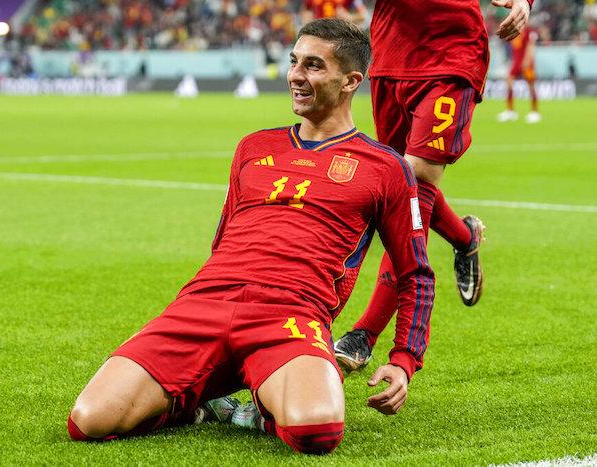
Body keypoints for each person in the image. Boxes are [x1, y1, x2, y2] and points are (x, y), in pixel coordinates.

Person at [68, 18, 434, 455]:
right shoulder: (253, 147)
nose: (296, 75)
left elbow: (415, 273)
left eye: (314, 66)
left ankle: (265, 399)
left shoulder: (385, 167)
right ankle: (199, 405)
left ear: (351, 80)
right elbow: (222, 240)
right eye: (294, 62)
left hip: (290, 315)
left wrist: (404, 361)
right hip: (204, 304)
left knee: (317, 432)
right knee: (89, 421)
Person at [333, 0, 534, 374]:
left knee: (414, 190)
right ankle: (464, 236)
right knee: (397, 182)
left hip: (451, 57)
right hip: (390, 57)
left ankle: (365, 334)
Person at [497, 25, 540, 123]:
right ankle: (510, 111)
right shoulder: (514, 30)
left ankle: (534, 112)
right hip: (516, 61)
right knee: (508, 81)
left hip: (526, 62)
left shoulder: (528, 30)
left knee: (531, 85)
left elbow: (531, 46)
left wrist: (527, 60)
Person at [301, 0, 367, 26]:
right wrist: (308, 24)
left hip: (340, 34)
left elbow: (363, 16)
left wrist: (350, 17)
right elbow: (306, 10)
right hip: (319, 32)